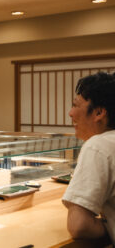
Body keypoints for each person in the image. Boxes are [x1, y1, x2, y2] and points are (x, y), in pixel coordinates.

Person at [62, 72, 115, 243]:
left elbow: (79, 226)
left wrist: (110, 226)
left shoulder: (98, 146)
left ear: (99, 112)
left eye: (75, 105)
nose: (70, 113)